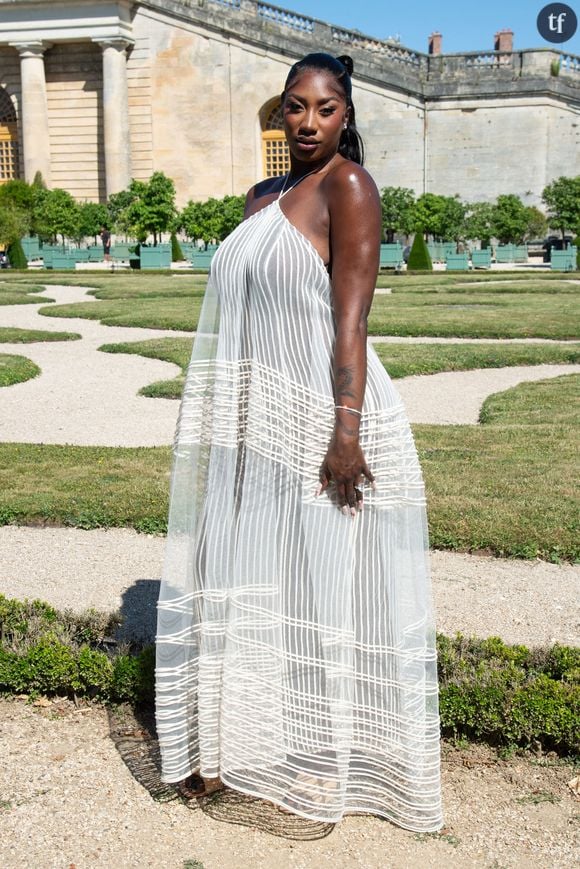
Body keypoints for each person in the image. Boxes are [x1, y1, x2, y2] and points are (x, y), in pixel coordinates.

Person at [155, 52, 442, 832]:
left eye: (325, 108)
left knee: (322, 585)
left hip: (329, 417)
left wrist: (344, 434)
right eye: (295, 107)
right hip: (258, 419)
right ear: (279, 113)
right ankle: (230, 741)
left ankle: (327, 756)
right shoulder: (259, 197)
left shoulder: (349, 188)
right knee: (240, 570)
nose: (309, 122)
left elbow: (352, 317)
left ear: (347, 116)